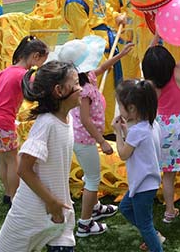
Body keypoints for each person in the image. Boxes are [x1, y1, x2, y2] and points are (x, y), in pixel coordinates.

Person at [0, 61, 82, 252]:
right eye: (75, 84)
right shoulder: (47, 124)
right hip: (34, 208)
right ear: (59, 91)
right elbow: (23, 168)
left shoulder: (67, 118)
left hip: (57, 208)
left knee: (63, 243)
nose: (80, 88)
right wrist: (51, 202)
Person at [55, 36, 133, 237]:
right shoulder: (83, 92)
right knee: (92, 179)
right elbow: (86, 120)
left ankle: (95, 208)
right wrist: (102, 141)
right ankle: (85, 223)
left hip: (85, 138)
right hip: (85, 140)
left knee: (91, 174)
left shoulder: (86, 77)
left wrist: (120, 55)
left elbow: (101, 69)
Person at [0, 35, 49, 207]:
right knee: (13, 161)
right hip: (3, 124)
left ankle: (7, 193)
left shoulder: (6, 70)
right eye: (43, 60)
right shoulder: (26, 75)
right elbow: (38, 93)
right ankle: (14, 198)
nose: (41, 64)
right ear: (35, 56)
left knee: (3, 159)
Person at [64, 0, 126, 133]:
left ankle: (106, 130)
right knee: (92, 94)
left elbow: (103, 10)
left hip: (107, 44)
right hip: (90, 53)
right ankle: (93, 132)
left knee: (109, 91)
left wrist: (115, 17)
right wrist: (102, 46)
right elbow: (83, 33)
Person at [142, 45, 180, 224]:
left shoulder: (150, 85)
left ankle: (169, 211)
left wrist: (155, 35)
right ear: (170, 62)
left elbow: (152, 64)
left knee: (168, 173)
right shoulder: (179, 72)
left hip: (163, 130)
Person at [112, 79, 164, 252]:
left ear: (132, 108)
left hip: (143, 185)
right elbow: (138, 147)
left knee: (145, 224)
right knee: (125, 207)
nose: (119, 110)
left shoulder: (137, 131)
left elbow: (123, 154)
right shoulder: (151, 125)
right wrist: (126, 132)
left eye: (120, 106)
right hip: (147, 182)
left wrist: (118, 133)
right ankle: (151, 234)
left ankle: (153, 239)